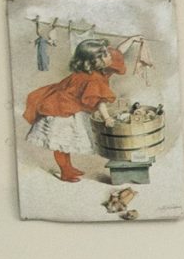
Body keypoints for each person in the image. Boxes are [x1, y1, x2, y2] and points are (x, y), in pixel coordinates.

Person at [23, 35, 130, 185]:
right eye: (105, 54)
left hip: (67, 107)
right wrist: (107, 118)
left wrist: (132, 39)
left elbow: (118, 51)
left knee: (65, 143)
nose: (110, 55)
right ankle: (65, 171)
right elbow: (99, 101)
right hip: (62, 111)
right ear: (95, 61)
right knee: (61, 143)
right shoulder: (92, 78)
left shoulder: (93, 70)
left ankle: (69, 167)